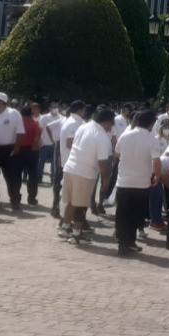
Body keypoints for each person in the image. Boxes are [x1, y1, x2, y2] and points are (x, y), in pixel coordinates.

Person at [60, 109, 115, 244]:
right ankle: (76, 235)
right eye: (111, 124)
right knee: (81, 205)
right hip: (84, 173)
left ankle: (65, 228)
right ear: (107, 122)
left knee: (71, 202)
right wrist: (106, 180)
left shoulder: (83, 127)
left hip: (70, 168)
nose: (111, 127)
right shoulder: (102, 137)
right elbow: (103, 162)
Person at [114, 109, 162, 254]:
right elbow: (157, 161)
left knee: (122, 212)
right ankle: (130, 241)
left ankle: (123, 242)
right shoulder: (151, 138)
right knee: (136, 213)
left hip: (123, 181)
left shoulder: (125, 134)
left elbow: (116, 153)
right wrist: (157, 176)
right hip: (141, 182)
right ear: (152, 123)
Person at [17, 105, 42, 205]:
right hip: (31, 150)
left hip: (18, 149)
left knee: (16, 174)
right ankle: (31, 198)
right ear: (30, 113)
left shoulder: (18, 122)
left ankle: (16, 197)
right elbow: (37, 136)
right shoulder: (35, 122)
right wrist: (34, 147)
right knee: (32, 175)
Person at [37, 101, 62, 184]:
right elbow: (39, 129)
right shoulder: (44, 117)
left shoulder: (61, 117)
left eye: (57, 107)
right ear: (50, 108)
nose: (56, 109)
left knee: (54, 163)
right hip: (45, 143)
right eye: (54, 107)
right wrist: (39, 140)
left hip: (55, 144)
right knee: (41, 161)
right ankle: (39, 177)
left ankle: (53, 179)